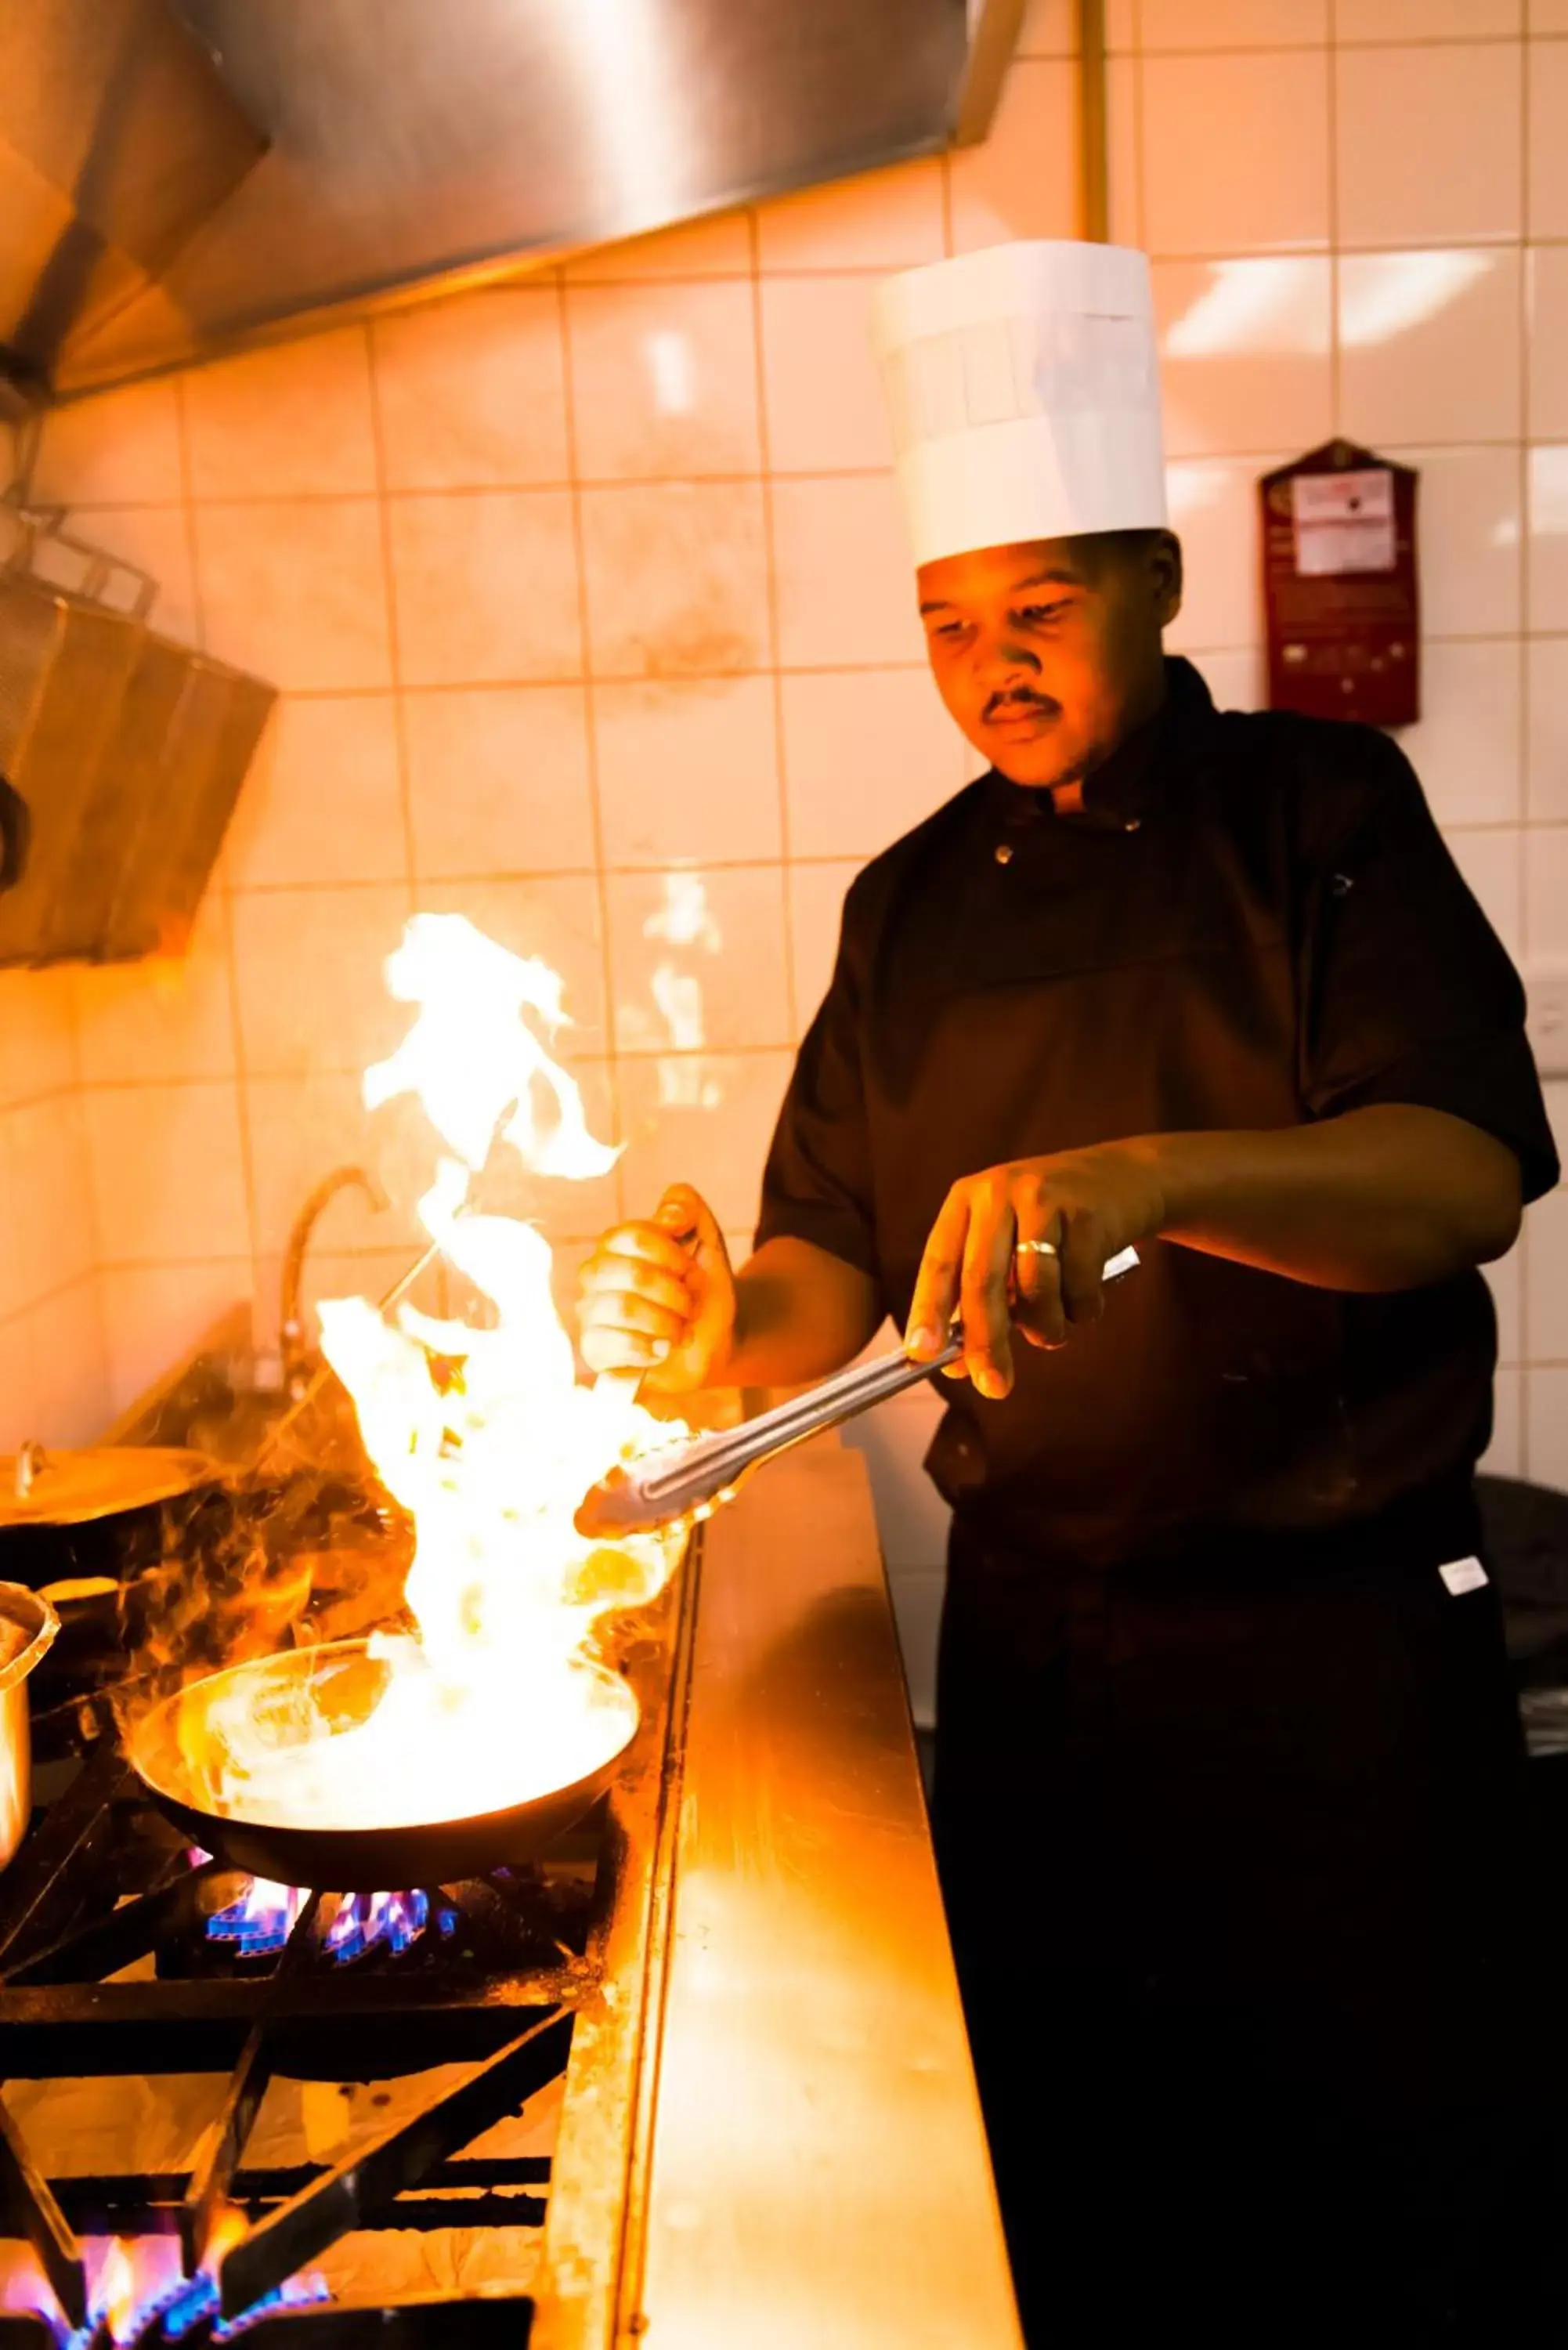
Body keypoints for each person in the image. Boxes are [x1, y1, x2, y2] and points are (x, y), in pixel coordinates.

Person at [576, 241, 1563, 2342]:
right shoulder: (911, 903)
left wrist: (1156, 1178)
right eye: (947, 628)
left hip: (1344, 1675)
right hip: (1050, 1688)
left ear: (1157, 586)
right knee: (1090, 2202)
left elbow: (1462, 1182)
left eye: (1037, 615)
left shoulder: (1321, 813)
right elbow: (814, 1275)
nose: (987, 672)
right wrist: (695, 1325)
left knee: (1388, 2215)